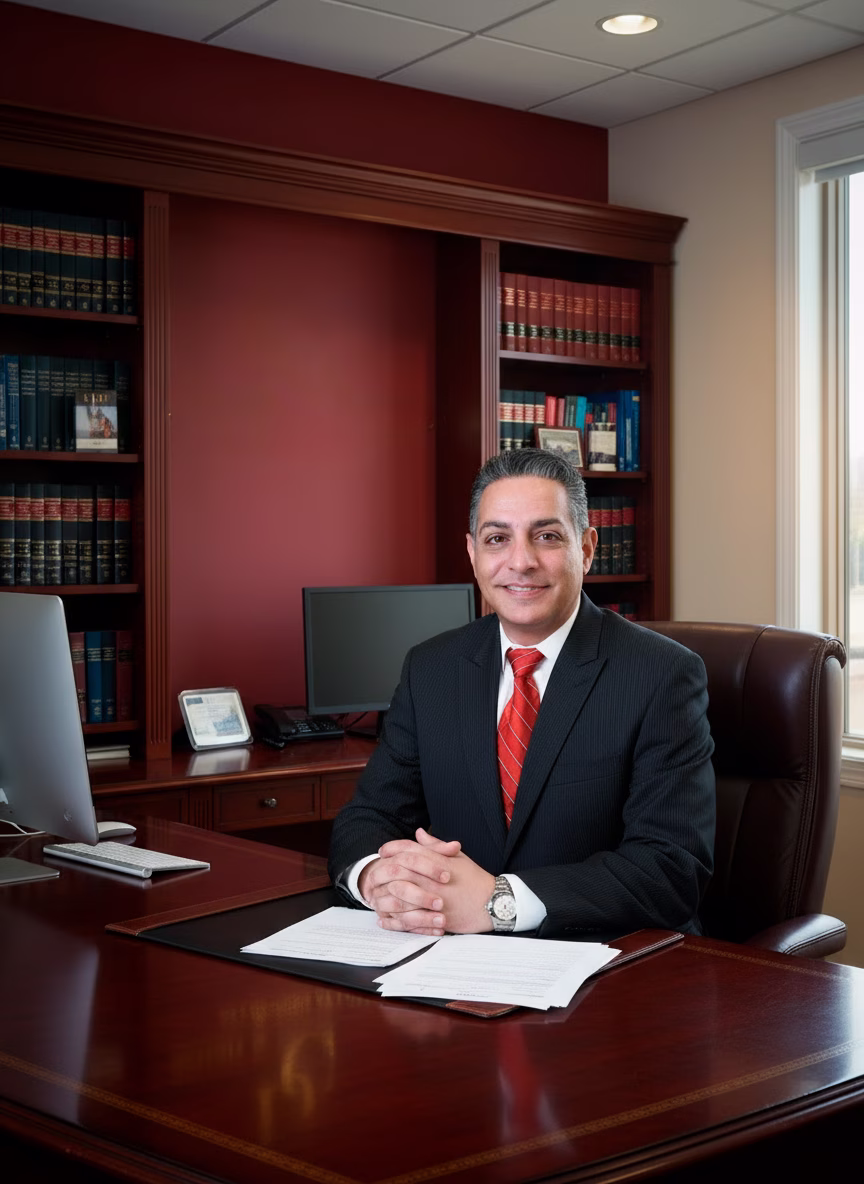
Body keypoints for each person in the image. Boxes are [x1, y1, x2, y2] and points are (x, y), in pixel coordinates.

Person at [328, 448, 715, 941]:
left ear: (586, 549)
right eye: (497, 539)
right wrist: (376, 880)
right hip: (453, 955)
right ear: (473, 554)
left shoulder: (662, 674)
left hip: (605, 958)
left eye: (547, 536)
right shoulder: (431, 668)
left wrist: (497, 902)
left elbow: (670, 869)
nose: (521, 562)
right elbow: (369, 817)